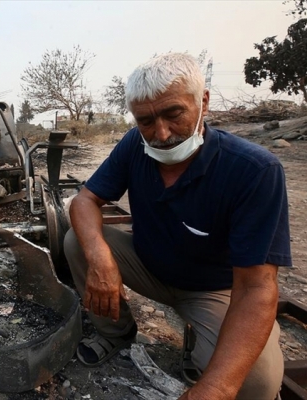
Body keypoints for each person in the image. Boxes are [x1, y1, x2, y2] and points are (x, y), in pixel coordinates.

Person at [64, 52, 291, 400]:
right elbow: (84, 201)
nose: (161, 133)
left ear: (203, 102)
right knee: (77, 242)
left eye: (174, 114)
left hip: (214, 290)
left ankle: (200, 342)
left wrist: (216, 387)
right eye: (146, 121)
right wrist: (100, 259)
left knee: (255, 383)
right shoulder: (133, 145)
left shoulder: (254, 171)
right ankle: (116, 332)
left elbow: (257, 288)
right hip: (149, 266)